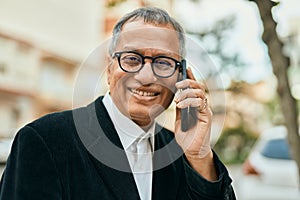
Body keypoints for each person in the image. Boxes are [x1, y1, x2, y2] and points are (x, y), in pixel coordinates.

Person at [0, 7, 236, 200]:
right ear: (110, 69)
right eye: (132, 59)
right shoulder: (45, 140)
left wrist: (199, 156)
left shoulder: (182, 151)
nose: (146, 77)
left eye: (163, 63)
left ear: (181, 76)